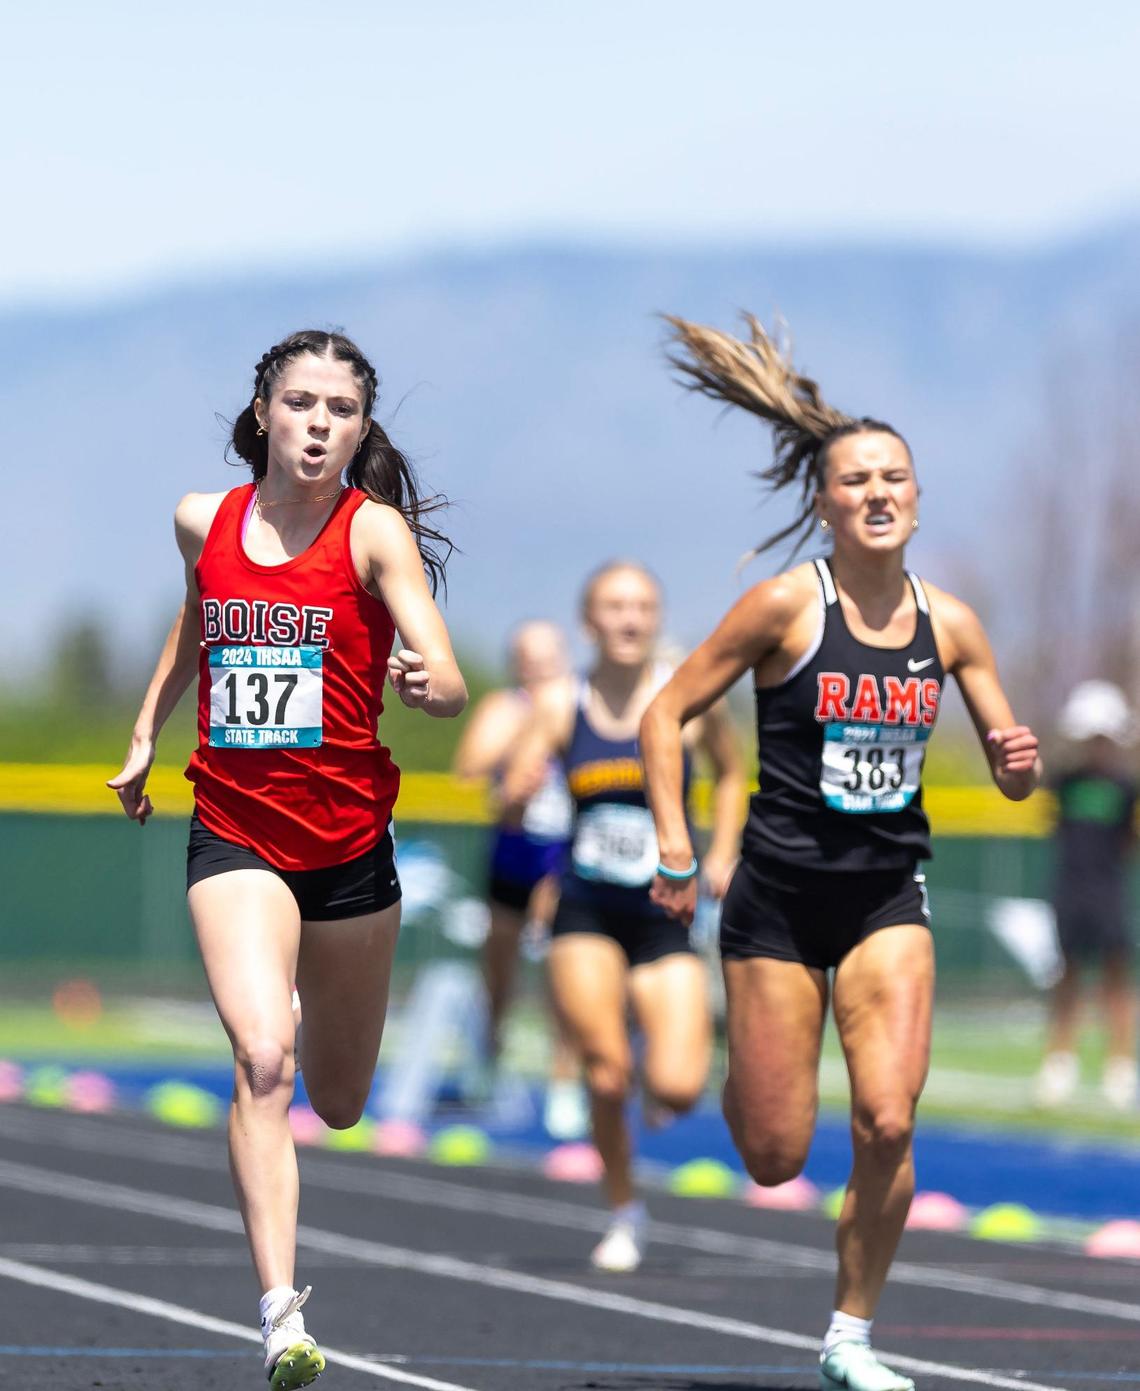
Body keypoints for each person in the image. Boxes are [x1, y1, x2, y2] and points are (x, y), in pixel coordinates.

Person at [639, 314, 1040, 1391]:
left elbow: (1016, 772)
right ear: (823, 500)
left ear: (916, 496)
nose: (877, 491)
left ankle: (851, 1333)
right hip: (774, 899)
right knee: (773, 1153)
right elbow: (665, 711)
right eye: (856, 477)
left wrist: (1015, 758)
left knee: (890, 1114)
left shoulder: (949, 623)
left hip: (883, 900)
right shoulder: (784, 606)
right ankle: (748, 1064)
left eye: (895, 476)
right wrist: (677, 841)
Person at [108, 330, 467, 1390]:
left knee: (341, 1096)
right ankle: (281, 1313)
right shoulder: (202, 518)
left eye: (341, 409)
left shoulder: (374, 536)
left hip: (350, 844)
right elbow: (197, 618)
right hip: (235, 829)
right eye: (301, 402)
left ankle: (308, 1022)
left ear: (361, 427)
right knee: (264, 1056)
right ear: (263, 410)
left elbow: (444, 670)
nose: (319, 424)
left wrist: (426, 679)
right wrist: (146, 731)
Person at [502, 561, 745, 1272]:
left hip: (664, 913)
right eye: (615, 606)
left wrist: (724, 849)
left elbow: (733, 773)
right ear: (590, 622)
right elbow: (512, 803)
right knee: (607, 1073)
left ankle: (646, 1032)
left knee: (675, 1086)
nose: (631, 618)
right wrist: (516, 794)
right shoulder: (558, 704)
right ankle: (623, 1209)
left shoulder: (689, 700)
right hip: (586, 906)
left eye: (643, 605)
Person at [452, 620, 587, 1137]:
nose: (536, 668)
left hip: (566, 847)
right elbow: (468, 768)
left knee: (564, 967)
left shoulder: (582, 703)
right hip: (513, 845)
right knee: (500, 969)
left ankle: (564, 1081)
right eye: (525, 659)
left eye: (545, 658)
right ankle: (491, 1055)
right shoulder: (504, 708)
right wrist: (518, 738)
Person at [1035, 680, 1138, 1110]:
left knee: (1116, 977)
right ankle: (1059, 1064)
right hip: (1070, 891)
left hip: (1108, 892)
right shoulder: (1062, 783)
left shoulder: (1126, 787)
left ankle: (1121, 1066)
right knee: (1069, 976)